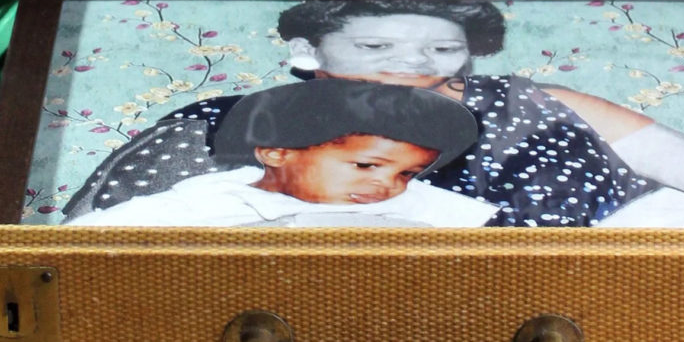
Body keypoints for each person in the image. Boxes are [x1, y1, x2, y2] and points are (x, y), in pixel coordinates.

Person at [58, 0, 684, 228]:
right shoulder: (229, 125)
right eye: (377, 47)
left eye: (442, 49)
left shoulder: (533, 105)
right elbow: (85, 247)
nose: (414, 69)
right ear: (305, 53)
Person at [66, 78, 494, 228]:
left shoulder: (424, 207)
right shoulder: (204, 202)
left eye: (407, 173)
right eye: (366, 165)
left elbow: (495, 253)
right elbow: (80, 246)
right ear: (276, 153)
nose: (387, 184)